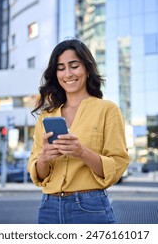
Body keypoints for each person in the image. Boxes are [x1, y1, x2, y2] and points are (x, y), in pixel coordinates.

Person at [27, 38, 130, 224]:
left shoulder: (108, 110)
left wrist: (81, 152)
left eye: (74, 66)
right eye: (60, 68)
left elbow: (117, 165)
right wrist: (44, 158)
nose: (67, 73)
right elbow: (38, 174)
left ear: (87, 69)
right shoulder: (46, 116)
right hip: (48, 208)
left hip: (90, 207)